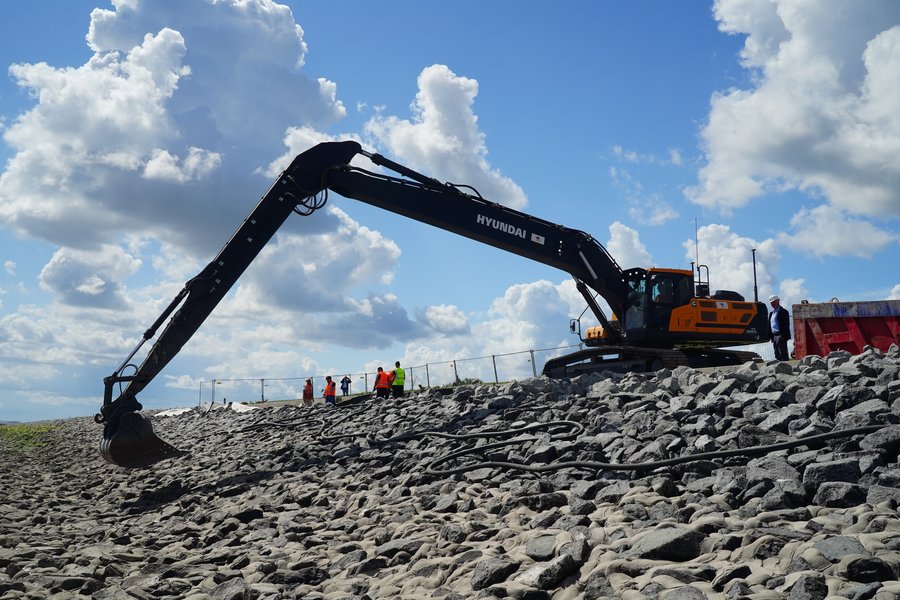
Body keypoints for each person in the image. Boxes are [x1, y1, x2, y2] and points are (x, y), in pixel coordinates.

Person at [768, 294, 791, 361]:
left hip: (781, 335)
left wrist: (783, 335)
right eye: (771, 303)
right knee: (777, 353)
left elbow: (786, 324)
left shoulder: (784, 312)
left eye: (774, 302)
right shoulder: (771, 313)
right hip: (774, 336)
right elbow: (770, 325)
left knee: (783, 353)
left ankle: (785, 367)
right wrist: (770, 336)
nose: (772, 304)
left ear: (778, 301)